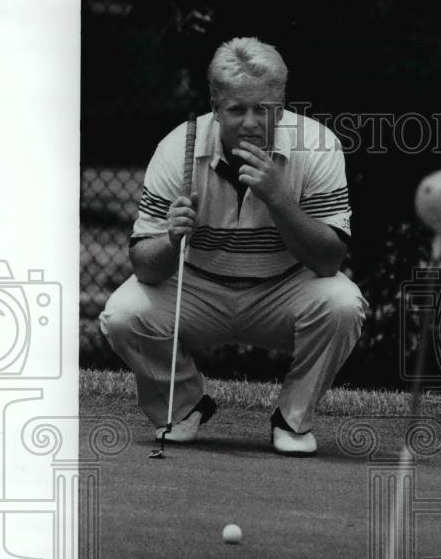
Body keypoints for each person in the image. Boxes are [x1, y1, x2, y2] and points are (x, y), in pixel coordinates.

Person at [100, 37, 367, 455]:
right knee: (122, 313)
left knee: (343, 304)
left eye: (264, 109)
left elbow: (329, 260)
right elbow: (146, 268)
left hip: (282, 288)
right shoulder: (176, 150)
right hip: (199, 288)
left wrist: (279, 199)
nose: (250, 122)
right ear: (215, 105)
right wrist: (171, 239)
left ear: (282, 102)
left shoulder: (318, 146)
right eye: (236, 109)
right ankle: (185, 405)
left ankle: (293, 421)